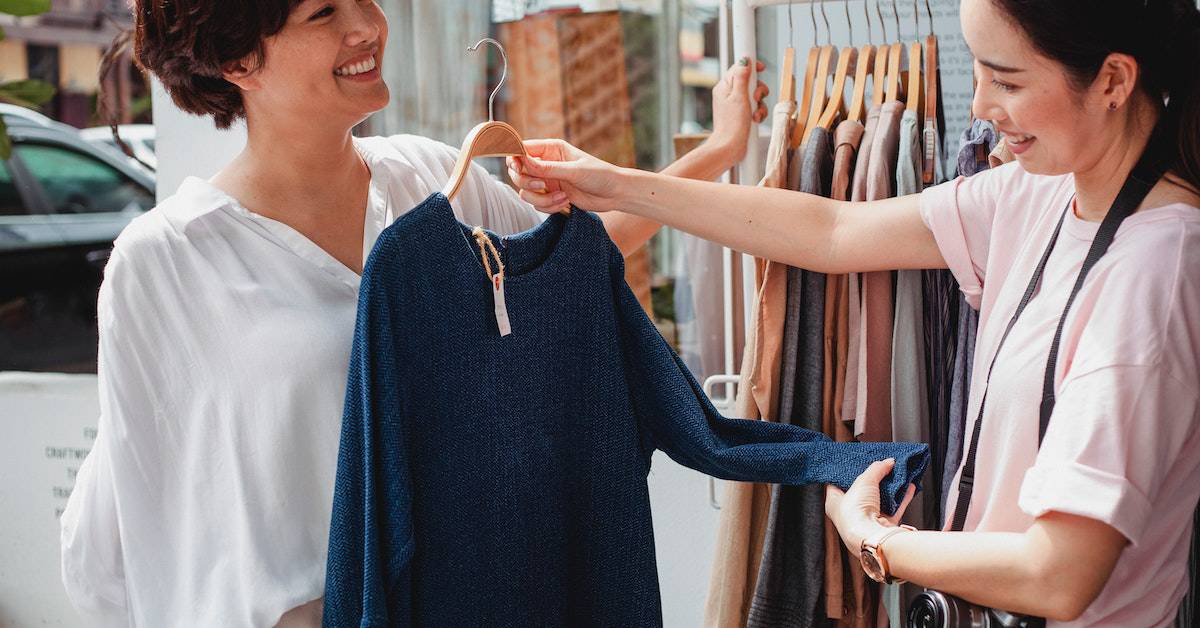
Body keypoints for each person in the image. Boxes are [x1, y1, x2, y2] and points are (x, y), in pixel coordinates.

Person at [58, 1, 770, 625]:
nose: (368, 25)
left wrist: (717, 152)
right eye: (323, 13)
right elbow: (126, 531)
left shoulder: (428, 180)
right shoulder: (167, 261)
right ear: (239, 59)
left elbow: (565, 269)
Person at [508, 0, 1200, 624]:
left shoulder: (1153, 274)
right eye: (979, 74)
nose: (982, 105)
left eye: (1008, 81)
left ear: (1113, 80)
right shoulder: (1039, 195)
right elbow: (832, 231)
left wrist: (878, 543)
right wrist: (613, 185)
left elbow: (1059, 576)